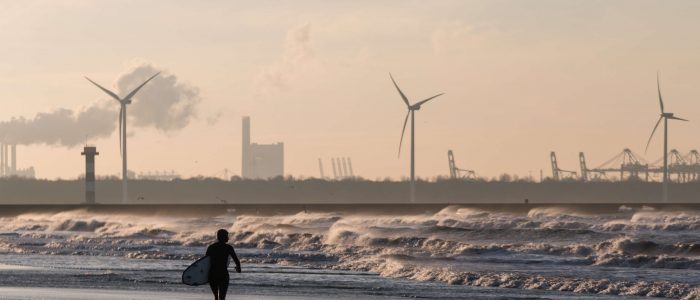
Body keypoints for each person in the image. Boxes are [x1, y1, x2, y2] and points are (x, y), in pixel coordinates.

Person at [206, 229, 241, 300]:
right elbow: (236, 260)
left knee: (216, 297)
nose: (228, 238)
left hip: (212, 275)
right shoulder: (228, 248)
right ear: (222, 237)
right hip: (223, 275)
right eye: (226, 236)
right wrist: (238, 268)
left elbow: (205, 262)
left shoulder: (211, 247)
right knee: (222, 298)